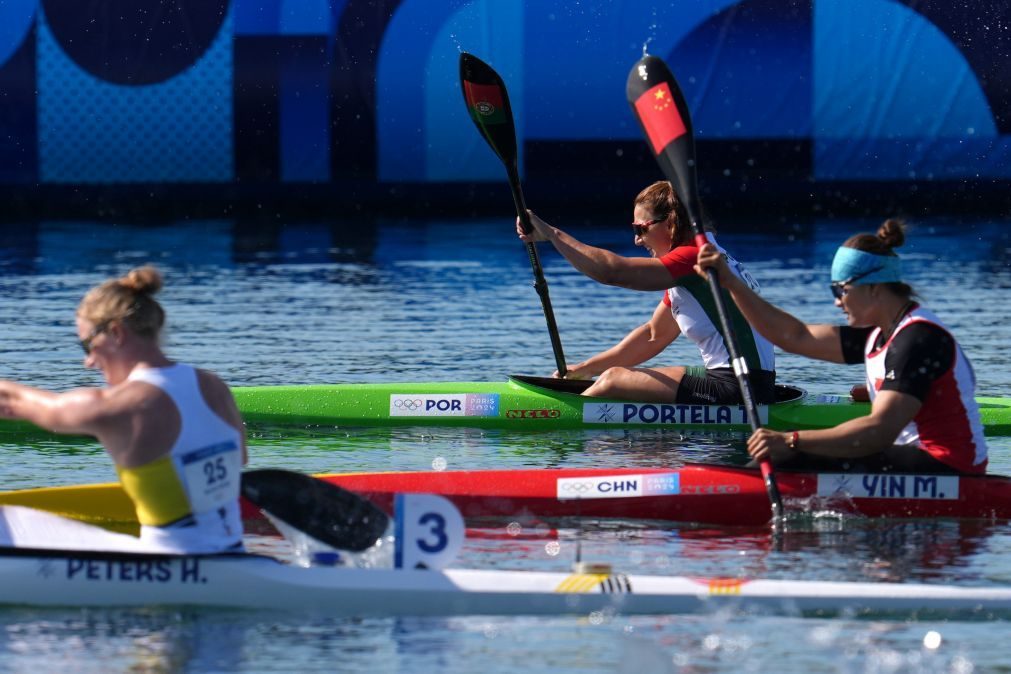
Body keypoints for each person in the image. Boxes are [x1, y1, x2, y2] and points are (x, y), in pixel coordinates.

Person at [695, 219, 987, 474]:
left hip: (949, 469)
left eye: (841, 290)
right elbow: (793, 336)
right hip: (914, 460)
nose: (837, 301)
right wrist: (731, 283)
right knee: (793, 454)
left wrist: (791, 440)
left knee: (790, 454)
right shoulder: (881, 334)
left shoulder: (917, 339)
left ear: (874, 286)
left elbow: (879, 431)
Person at [0, 266, 247, 552]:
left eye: (87, 345)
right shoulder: (214, 385)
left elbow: (11, 401)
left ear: (116, 333)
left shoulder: (120, 406)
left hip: (170, 567)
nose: (88, 362)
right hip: (233, 552)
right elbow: (239, 458)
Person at [516, 180, 776, 405]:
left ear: (671, 223)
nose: (637, 240)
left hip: (738, 388)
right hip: (748, 383)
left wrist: (551, 234)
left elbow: (612, 272)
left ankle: (562, 418)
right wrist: (585, 369)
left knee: (613, 382)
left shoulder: (694, 258)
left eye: (641, 229)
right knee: (616, 376)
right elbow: (654, 335)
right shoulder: (709, 256)